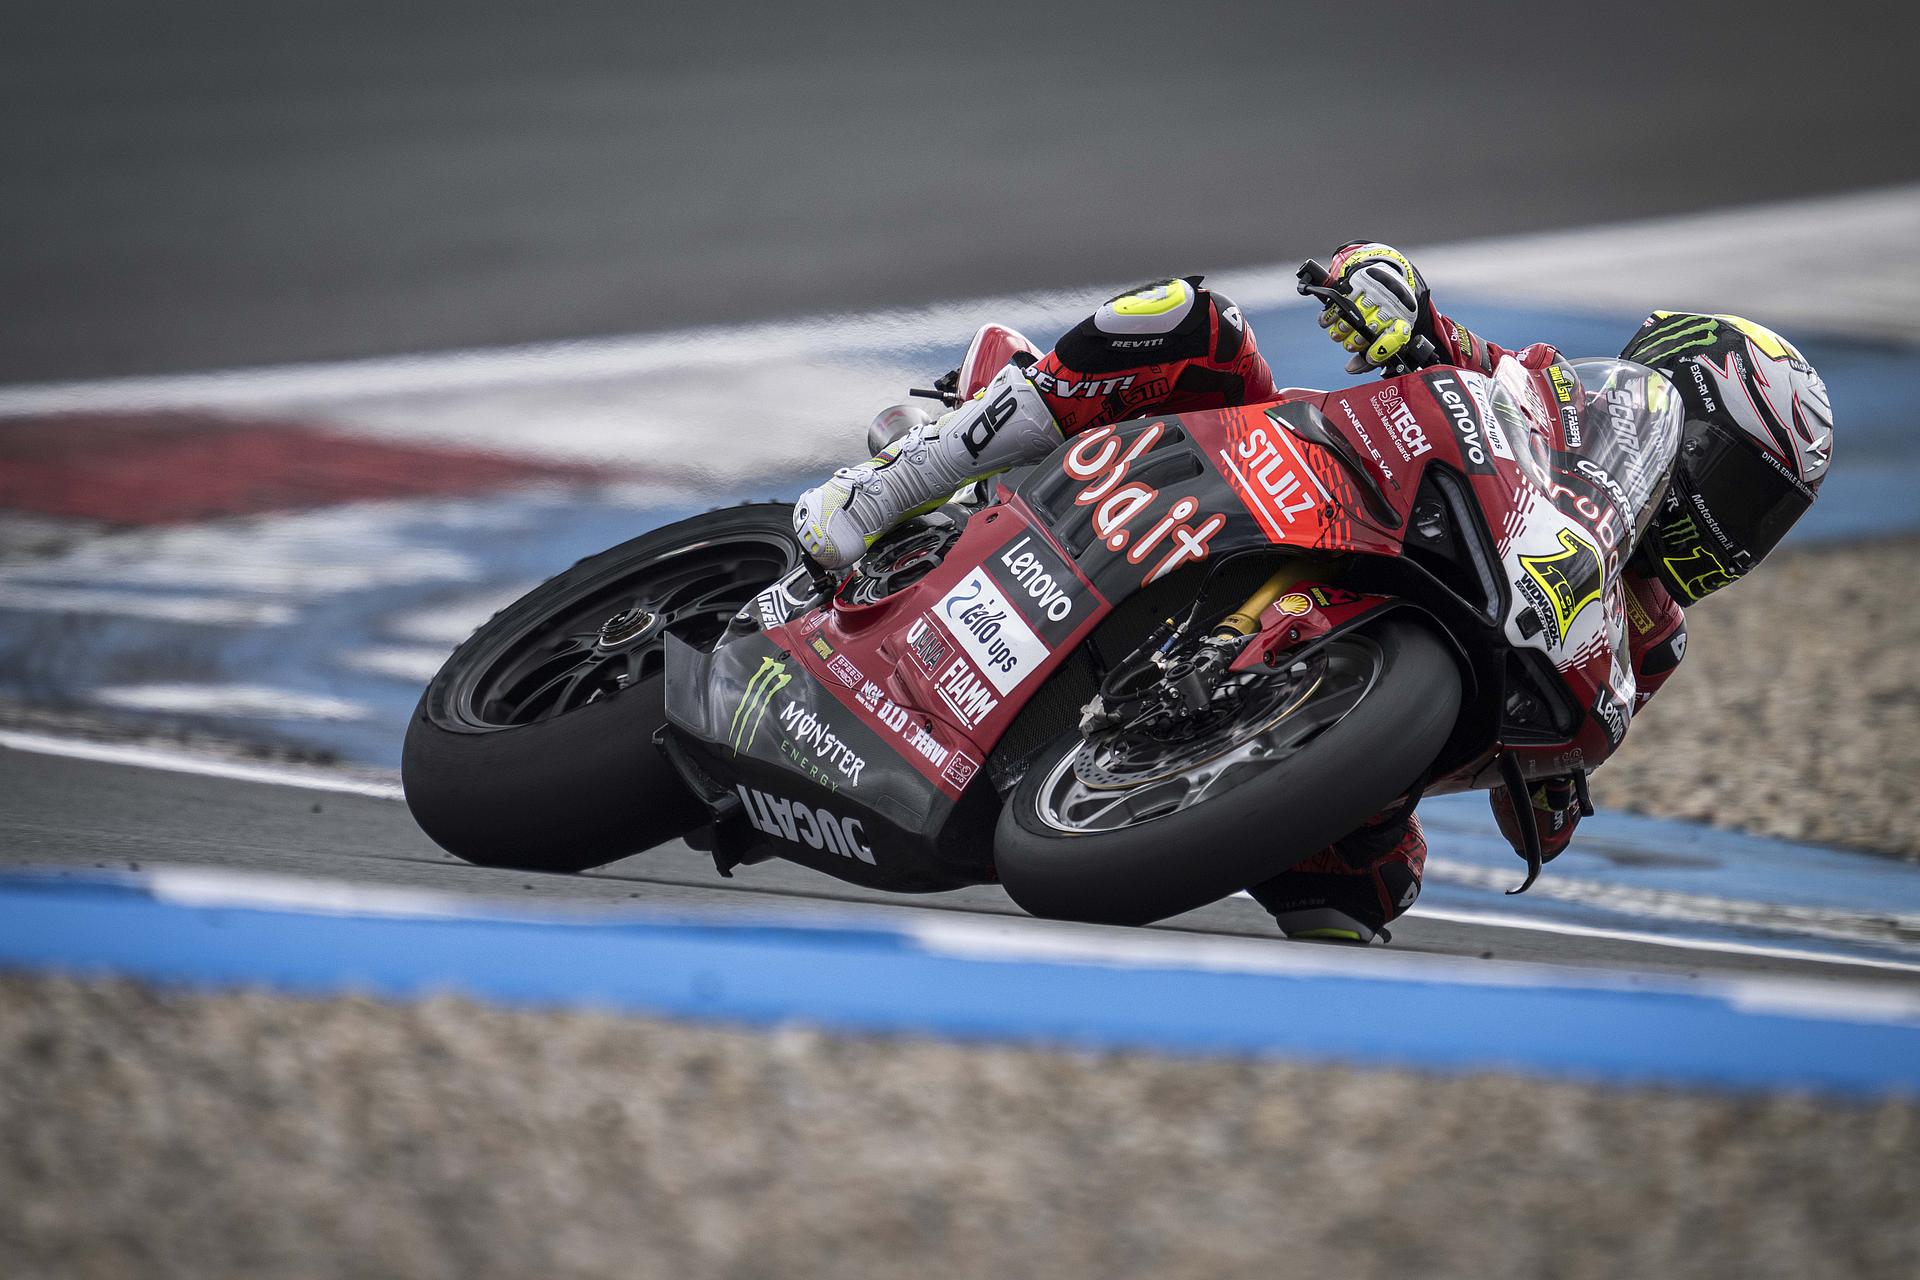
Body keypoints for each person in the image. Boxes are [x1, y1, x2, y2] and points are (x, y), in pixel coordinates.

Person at [793, 243, 1834, 943]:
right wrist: (1388, 294)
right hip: (1275, 477)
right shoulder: (1558, 390)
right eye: (1737, 483)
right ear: (1680, 408)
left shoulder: (1652, 635)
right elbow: (1455, 346)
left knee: (1373, 891)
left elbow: (1543, 810)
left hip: (1364, 654)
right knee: (1190, 320)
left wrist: (1555, 784)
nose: (1733, 528)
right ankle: (901, 482)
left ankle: (1159, 794)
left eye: (1764, 515)